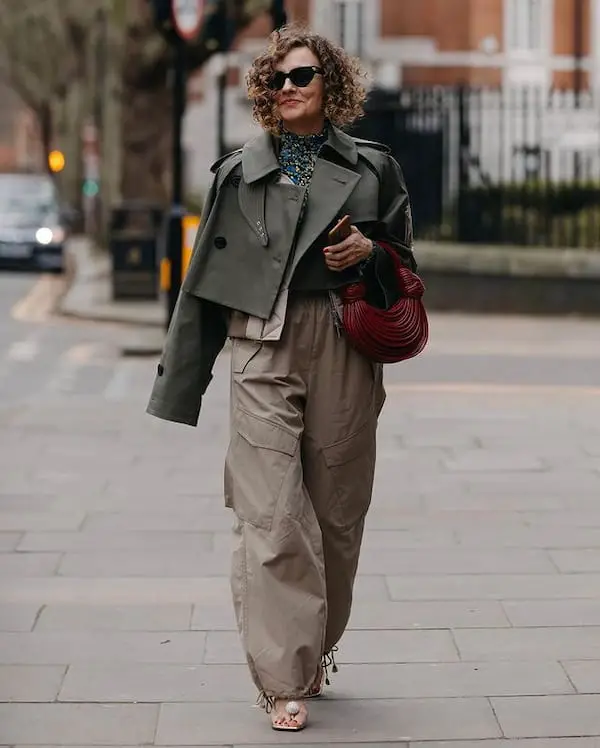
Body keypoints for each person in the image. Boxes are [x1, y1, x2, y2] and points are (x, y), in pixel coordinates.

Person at [146, 23, 416, 733]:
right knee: (271, 516)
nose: (288, 89)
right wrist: (180, 384)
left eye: (301, 76)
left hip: (343, 344)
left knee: (336, 516)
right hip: (260, 345)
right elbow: (202, 284)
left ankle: (315, 646)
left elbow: (406, 263)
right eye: (276, 80)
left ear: (331, 83)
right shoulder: (239, 174)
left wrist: (371, 252)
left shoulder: (373, 168)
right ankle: (281, 677)